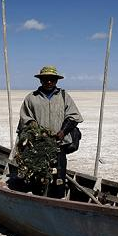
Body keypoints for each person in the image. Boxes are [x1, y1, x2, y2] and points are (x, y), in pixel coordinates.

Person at [18, 66, 83, 194]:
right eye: (45, 79)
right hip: (38, 146)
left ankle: (58, 198)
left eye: (52, 79)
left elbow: (74, 116)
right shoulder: (31, 98)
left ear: (56, 81)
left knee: (59, 176)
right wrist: (36, 130)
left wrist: (62, 132)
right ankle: (38, 198)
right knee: (38, 175)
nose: (49, 82)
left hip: (60, 144)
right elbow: (25, 118)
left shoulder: (64, 96)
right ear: (40, 80)